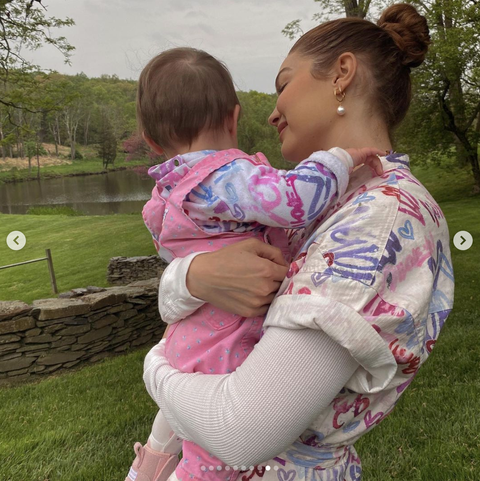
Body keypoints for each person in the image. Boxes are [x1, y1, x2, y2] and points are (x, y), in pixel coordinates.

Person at [142, 3, 454, 481]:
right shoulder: (336, 204)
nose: (271, 112)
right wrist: (191, 276)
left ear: (342, 74)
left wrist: (156, 369)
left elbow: (243, 431)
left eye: (283, 83)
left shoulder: (381, 219)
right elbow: (205, 272)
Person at [125, 47, 383, 481]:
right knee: (209, 462)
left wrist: (186, 281)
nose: (274, 111)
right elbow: (294, 200)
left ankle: (147, 469)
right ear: (233, 117)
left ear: (151, 142)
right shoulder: (228, 176)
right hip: (231, 334)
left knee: (181, 434)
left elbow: (176, 265)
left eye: (283, 84)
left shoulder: (165, 197)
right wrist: (337, 160)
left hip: (192, 335)